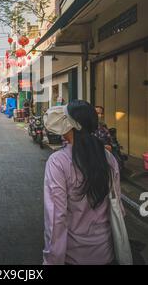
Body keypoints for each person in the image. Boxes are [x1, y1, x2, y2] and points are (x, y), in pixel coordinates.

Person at [42, 100, 125, 265]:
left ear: (71, 125)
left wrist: (52, 260)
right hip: (106, 252)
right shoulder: (108, 158)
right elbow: (118, 207)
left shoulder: (58, 162)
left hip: (74, 256)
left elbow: (56, 218)